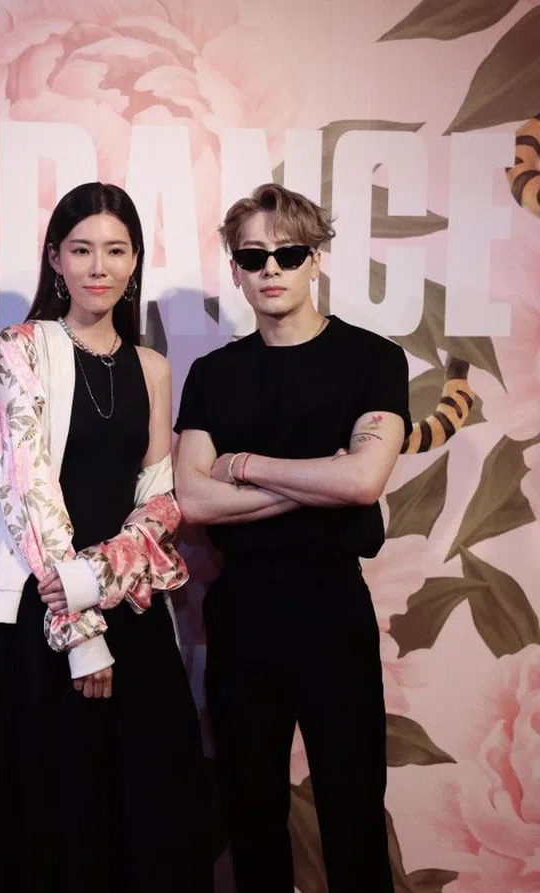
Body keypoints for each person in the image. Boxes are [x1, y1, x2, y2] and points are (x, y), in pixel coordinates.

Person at [0, 182, 212, 893]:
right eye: (81, 250)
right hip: (37, 610)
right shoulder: (21, 347)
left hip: (127, 610)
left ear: (134, 261)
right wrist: (79, 628)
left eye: (115, 250)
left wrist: (100, 578)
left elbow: (158, 497)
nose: (98, 267)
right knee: (38, 819)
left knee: (134, 819)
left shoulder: (153, 367)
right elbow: (25, 488)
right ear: (55, 259)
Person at [173, 183, 412, 893]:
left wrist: (246, 466)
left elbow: (363, 481)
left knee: (353, 816)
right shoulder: (214, 375)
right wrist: (319, 480)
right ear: (236, 268)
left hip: (333, 610)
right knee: (252, 821)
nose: (270, 268)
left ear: (317, 259)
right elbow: (192, 499)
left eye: (288, 253)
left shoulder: (373, 359)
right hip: (241, 616)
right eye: (253, 256)